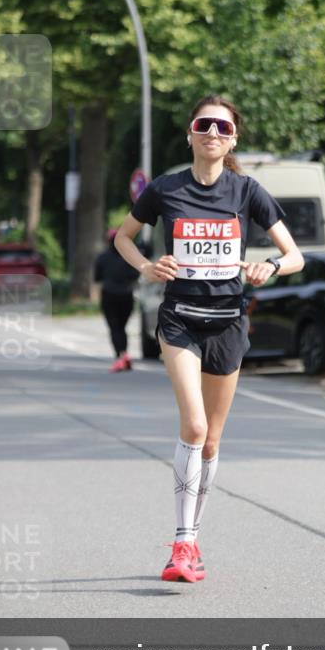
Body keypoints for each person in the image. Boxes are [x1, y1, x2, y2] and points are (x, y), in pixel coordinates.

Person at [114, 94, 304, 582]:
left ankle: (194, 538)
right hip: (180, 319)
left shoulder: (247, 191)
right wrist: (146, 267)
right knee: (194, 427)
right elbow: (122, 237)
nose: (213, 133)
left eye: (223, 127)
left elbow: (295, 256)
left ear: (233, 139)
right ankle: (181, 544)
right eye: (204, 125)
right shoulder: (165, 189)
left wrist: (269, 266)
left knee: (213, 439)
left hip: (227, 322)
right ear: (190, 134)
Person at [94, 228, 140, 372]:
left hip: (109, 295)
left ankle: (121, 356)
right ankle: (124, 355)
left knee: (115, 328)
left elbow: (97, 277)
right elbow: (136, 275)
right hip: (126, 295)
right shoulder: (129, 257)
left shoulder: (102, 257)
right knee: (121, 327)